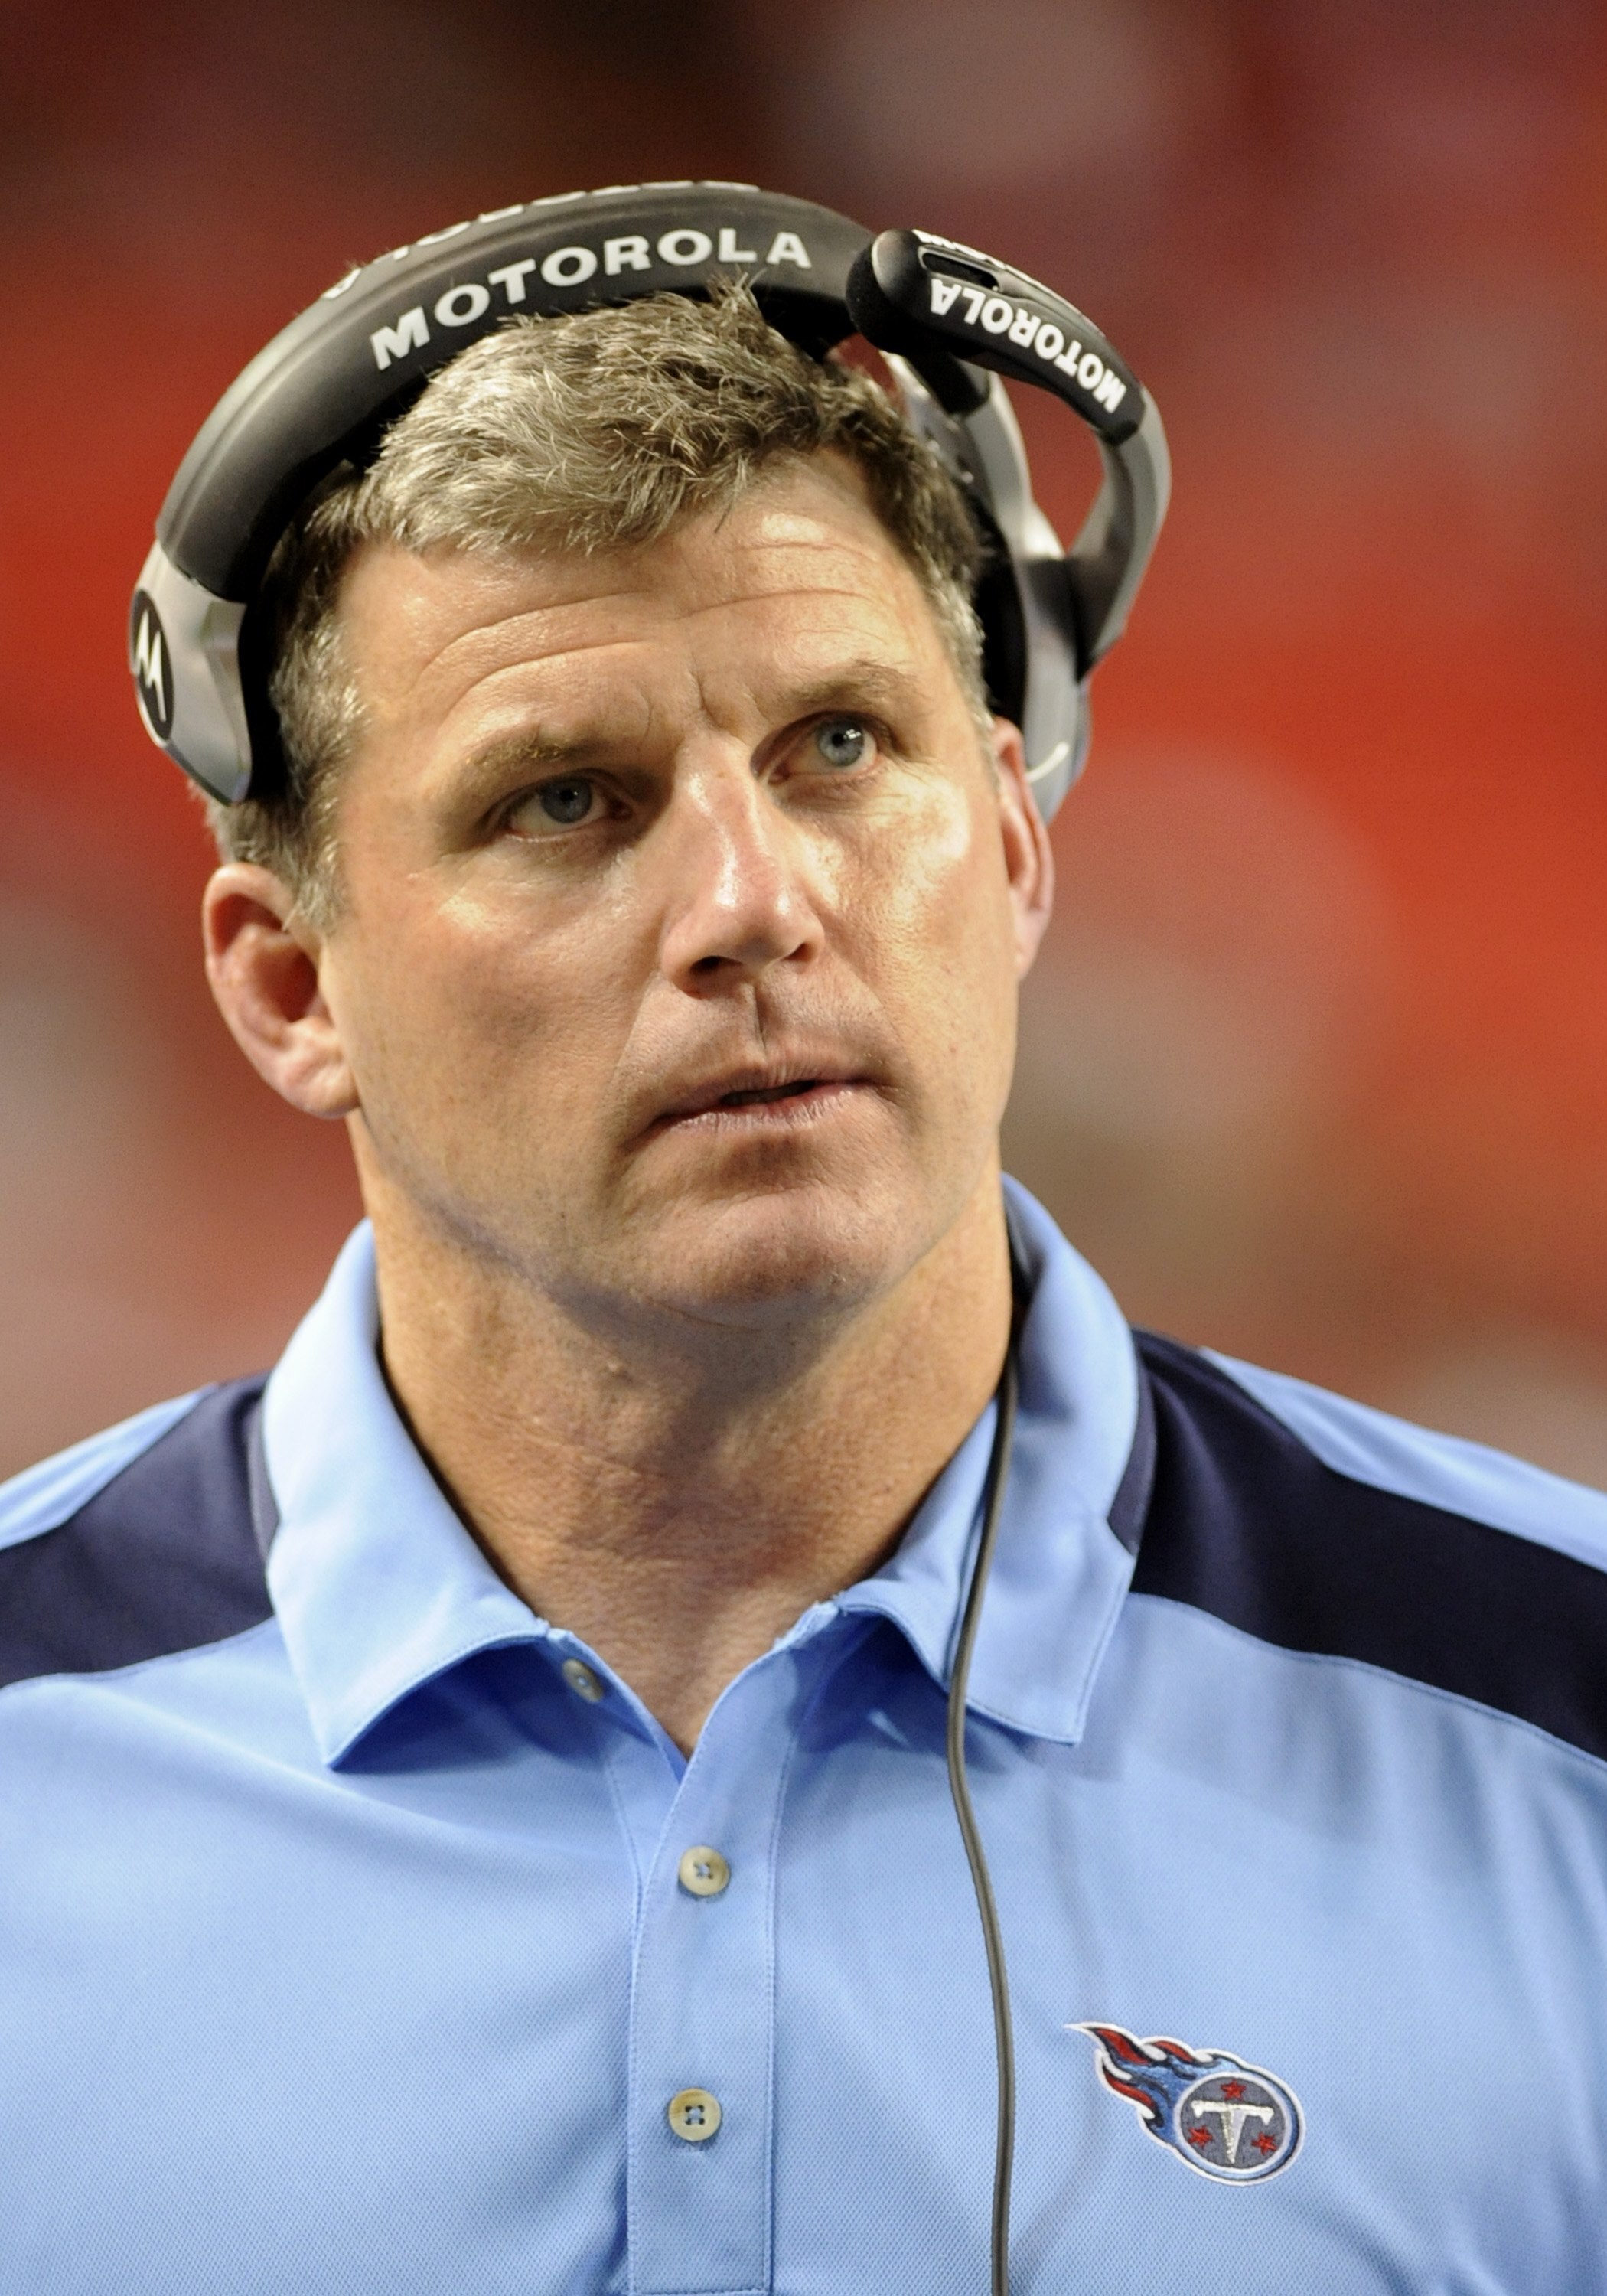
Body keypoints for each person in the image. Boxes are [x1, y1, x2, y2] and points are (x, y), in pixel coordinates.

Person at [4, 247, 1607, 2296]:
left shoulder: (1558, 1727)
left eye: (840, 748)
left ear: (1014, 854)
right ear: (293, 984)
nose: (752, 905)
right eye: (563, 801)